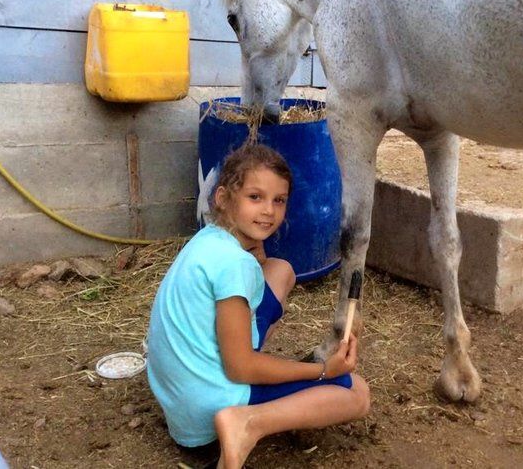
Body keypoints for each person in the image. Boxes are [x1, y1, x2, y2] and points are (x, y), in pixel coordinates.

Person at [147, 144, 370, 469]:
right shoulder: (234, 265)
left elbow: (259, 270)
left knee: (280, 271)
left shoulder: (209, 239)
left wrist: (255, 244)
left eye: (278, 200)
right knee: (357, 393)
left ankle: (248, 396)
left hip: (182, 401)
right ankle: (247, 423)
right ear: (223, 198)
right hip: (210, 404)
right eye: (255, 197)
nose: (268, 211)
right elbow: (240, 368)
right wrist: (324, 370)